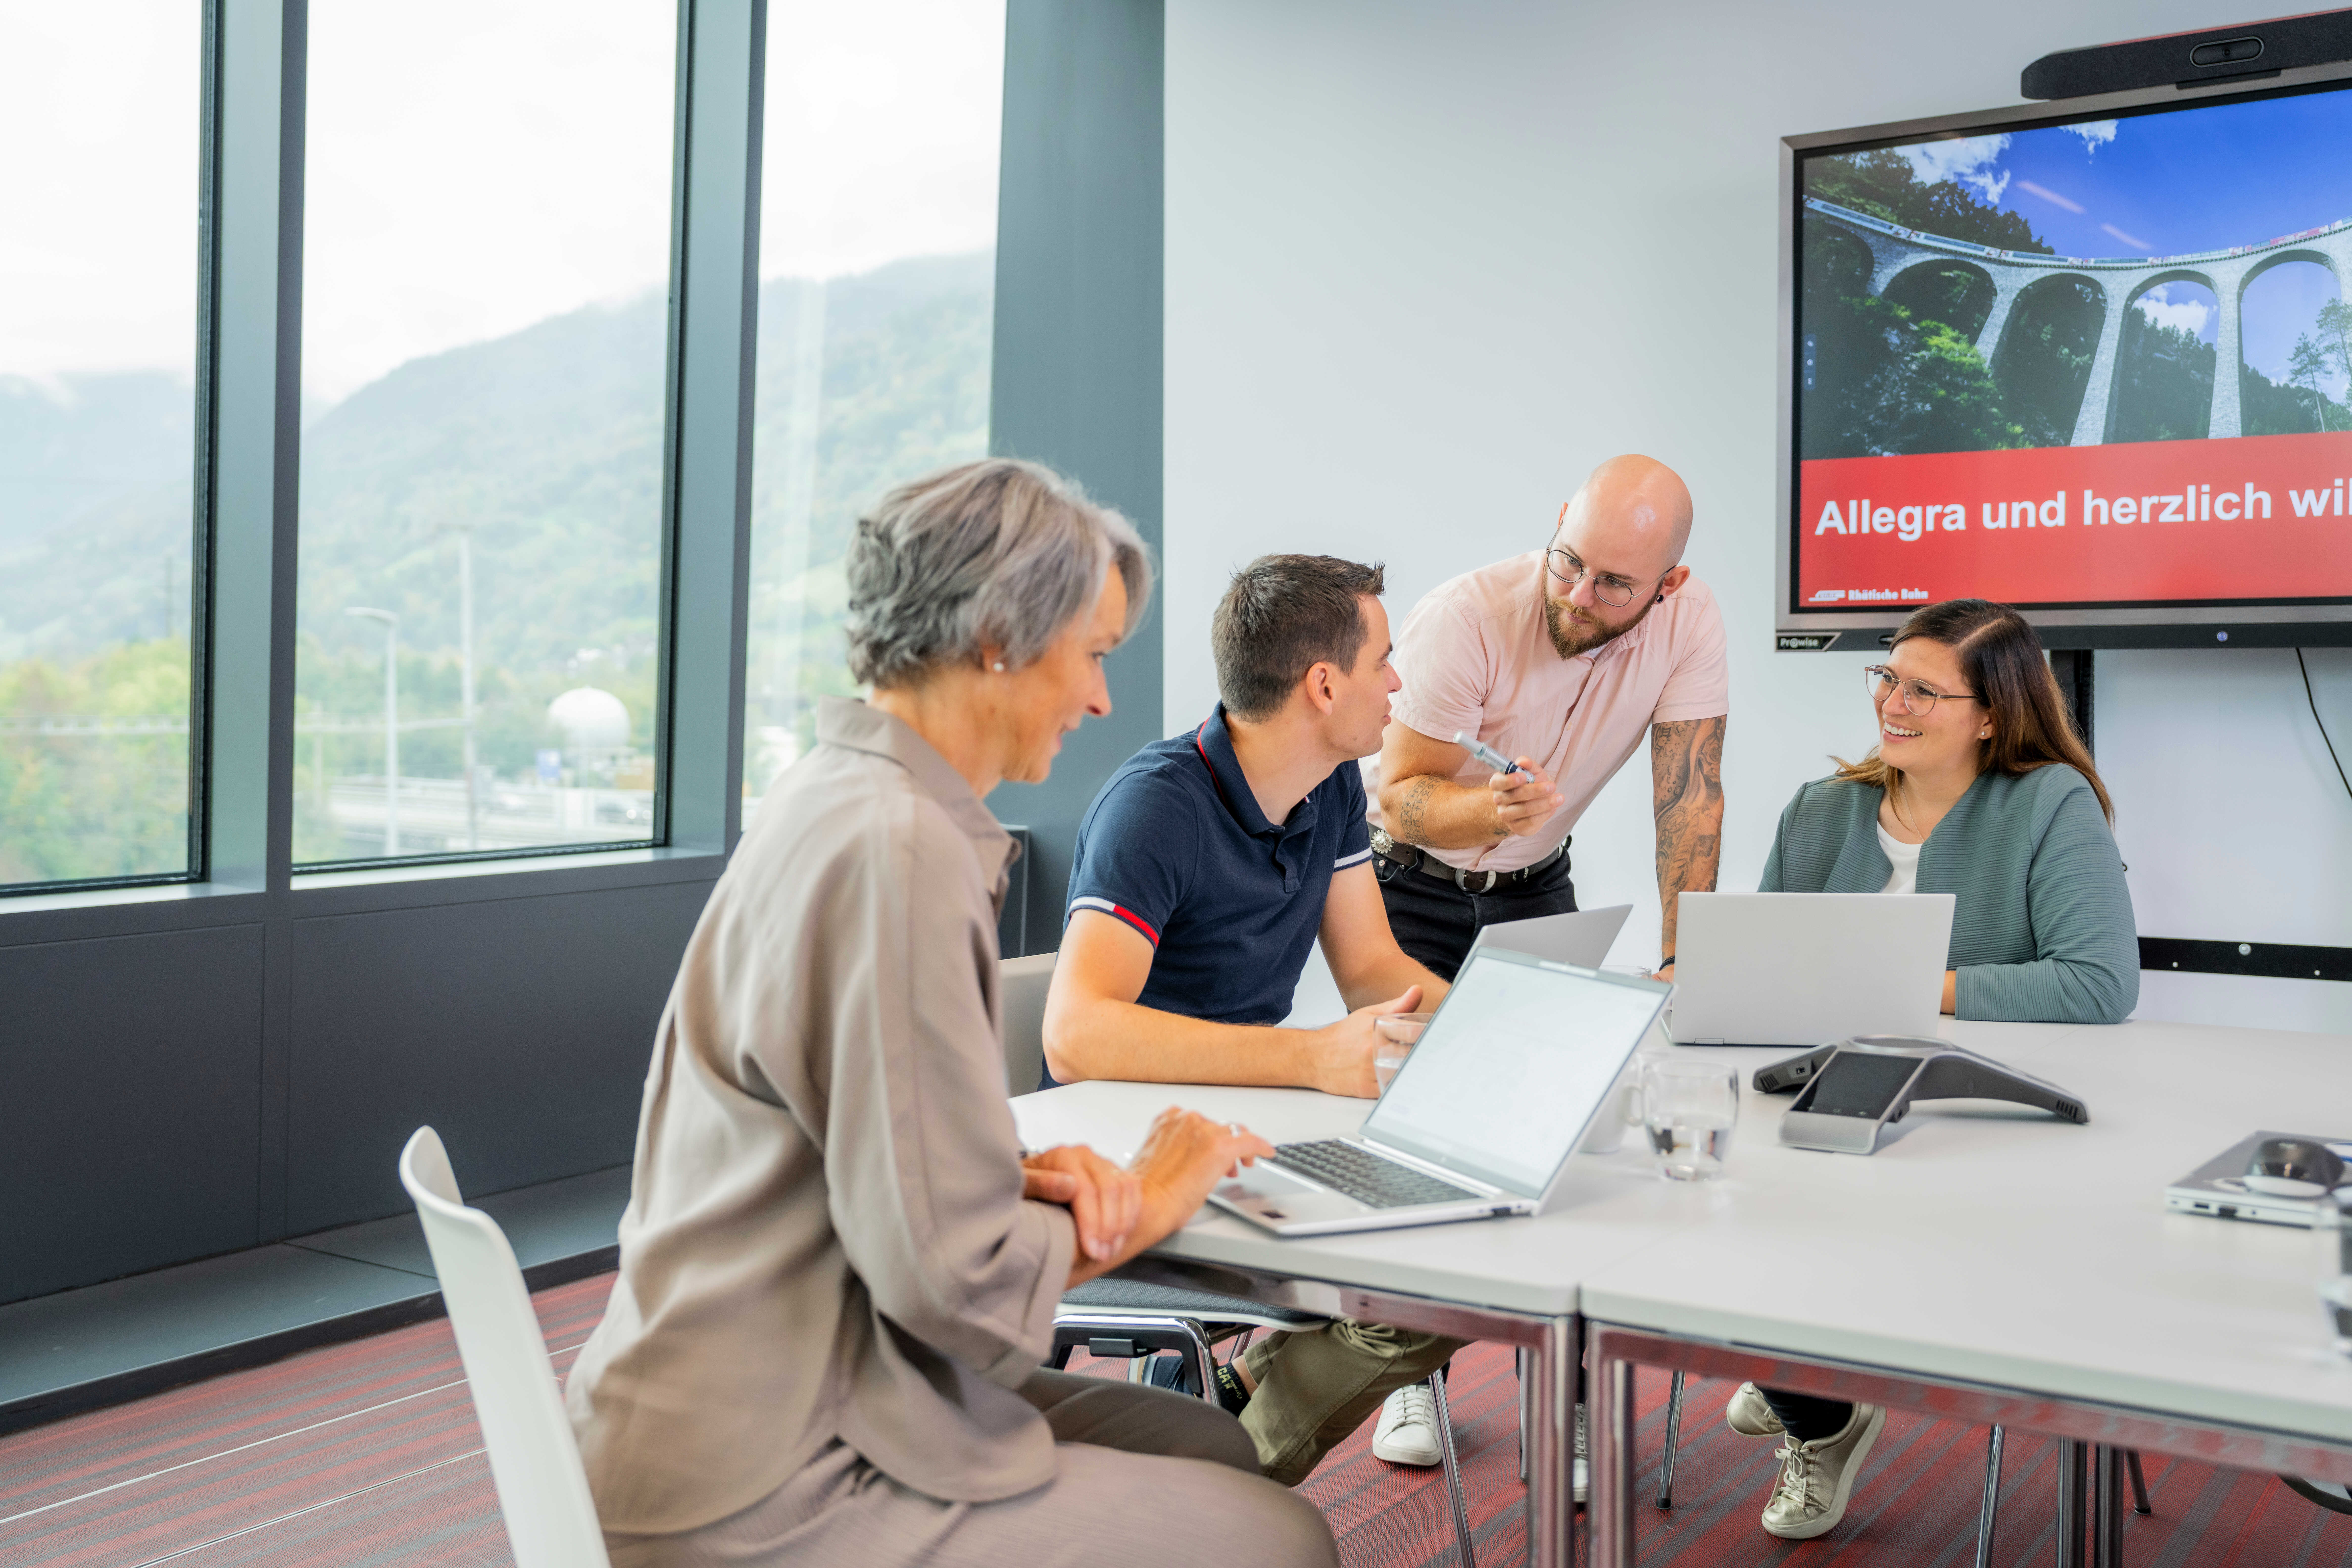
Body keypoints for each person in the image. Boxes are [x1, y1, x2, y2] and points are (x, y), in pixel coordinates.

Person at [565, 459, 1338, 1568]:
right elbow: (955, 1285)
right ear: (995, 637)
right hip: (763, 1464)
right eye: (1094, 653)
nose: (1101, 700)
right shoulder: (902, 850)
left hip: (772, 1382)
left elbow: (830, 1134)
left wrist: (1008, 1175)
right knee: (1281, 1540)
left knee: (1209, 1445)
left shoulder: (841, 795)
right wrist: (1154, 1194)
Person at [1042, 554, 1468, 1484]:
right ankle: (1208, 1495)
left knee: (1453, 1259)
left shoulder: (1330, 793)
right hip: (1135, 1160)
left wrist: (1500, 1026)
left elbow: (1371, 969)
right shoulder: (1154, 806)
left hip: (1246, 1134)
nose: (1397, 681)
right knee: (1422, 1286)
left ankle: (1222, 1435)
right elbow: (1074, 1035)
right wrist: (1312, 1059)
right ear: (1324, 684)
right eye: (1383, 660)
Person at [1727, 596, 2137, 1542]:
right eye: (1887, 678)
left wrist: (1911, 985)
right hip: (1826, 1095)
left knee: (1789, 1220)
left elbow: (2099, 983)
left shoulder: (2046, 802)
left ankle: (1797, 1379)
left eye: (1922, 689)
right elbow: (1769, 962)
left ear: (1991, 713)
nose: (1892, 702)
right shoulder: (1819, 808)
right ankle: (1814, 1404)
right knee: (1699, 1191)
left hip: (1977, 1110)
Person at [1371, 454, 1728, 981]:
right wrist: (1495, 811)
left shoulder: (1690, 621)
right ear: (1562, 518)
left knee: (1564, 1059)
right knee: (1420, 1057)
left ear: (1668, 586)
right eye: (1570, 561)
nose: (1579, 596)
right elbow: (1400, 802)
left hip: (1536, 887)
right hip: (1409, 886)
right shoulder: (1466, 620)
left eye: (1615, 584)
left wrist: (1684, 963)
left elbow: (1689, 802)